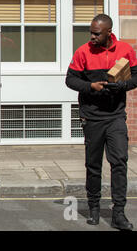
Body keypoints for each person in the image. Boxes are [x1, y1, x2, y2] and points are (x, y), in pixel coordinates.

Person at [66, 14, 137, 231]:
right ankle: (94, 209)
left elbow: (135, 76)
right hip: (92, 117)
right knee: (93, 165)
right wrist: (91, 87)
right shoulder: (83, 52)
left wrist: (122, 85)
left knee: (119, 164)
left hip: (115, 117)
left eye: (97, 33)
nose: (92, 36)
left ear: (109, 32)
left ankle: (118, 214)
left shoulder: (125, 50)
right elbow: (70, 79)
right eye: (91, 32)